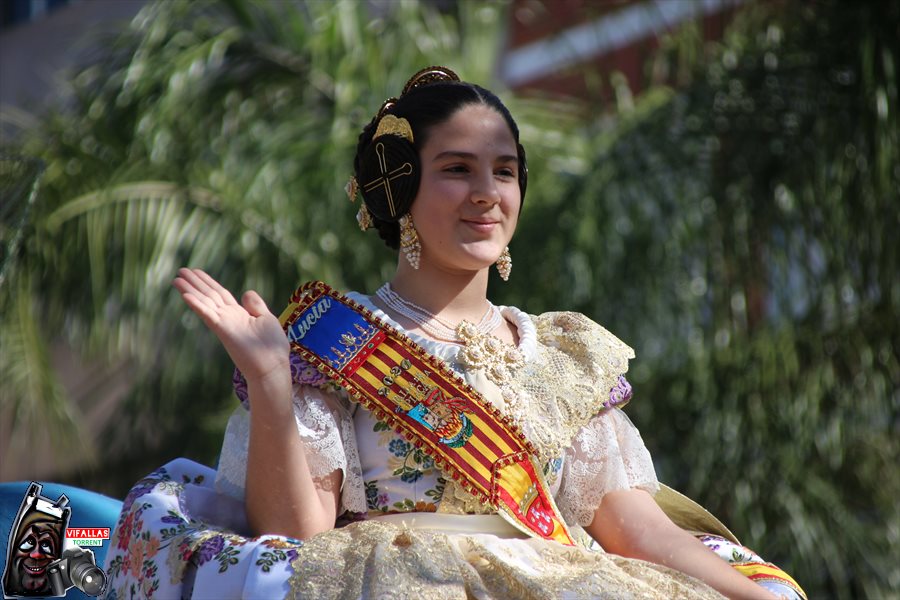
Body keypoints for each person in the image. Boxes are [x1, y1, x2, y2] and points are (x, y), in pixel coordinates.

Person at [102, 66, 805, 599]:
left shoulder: (566, 353)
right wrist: (272, 384)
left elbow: (635, 529)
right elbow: (299, 543)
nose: (486, 193)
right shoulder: (333, 340)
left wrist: (752, 595)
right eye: (456, 170)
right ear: (400, 191)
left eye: (505, 171)